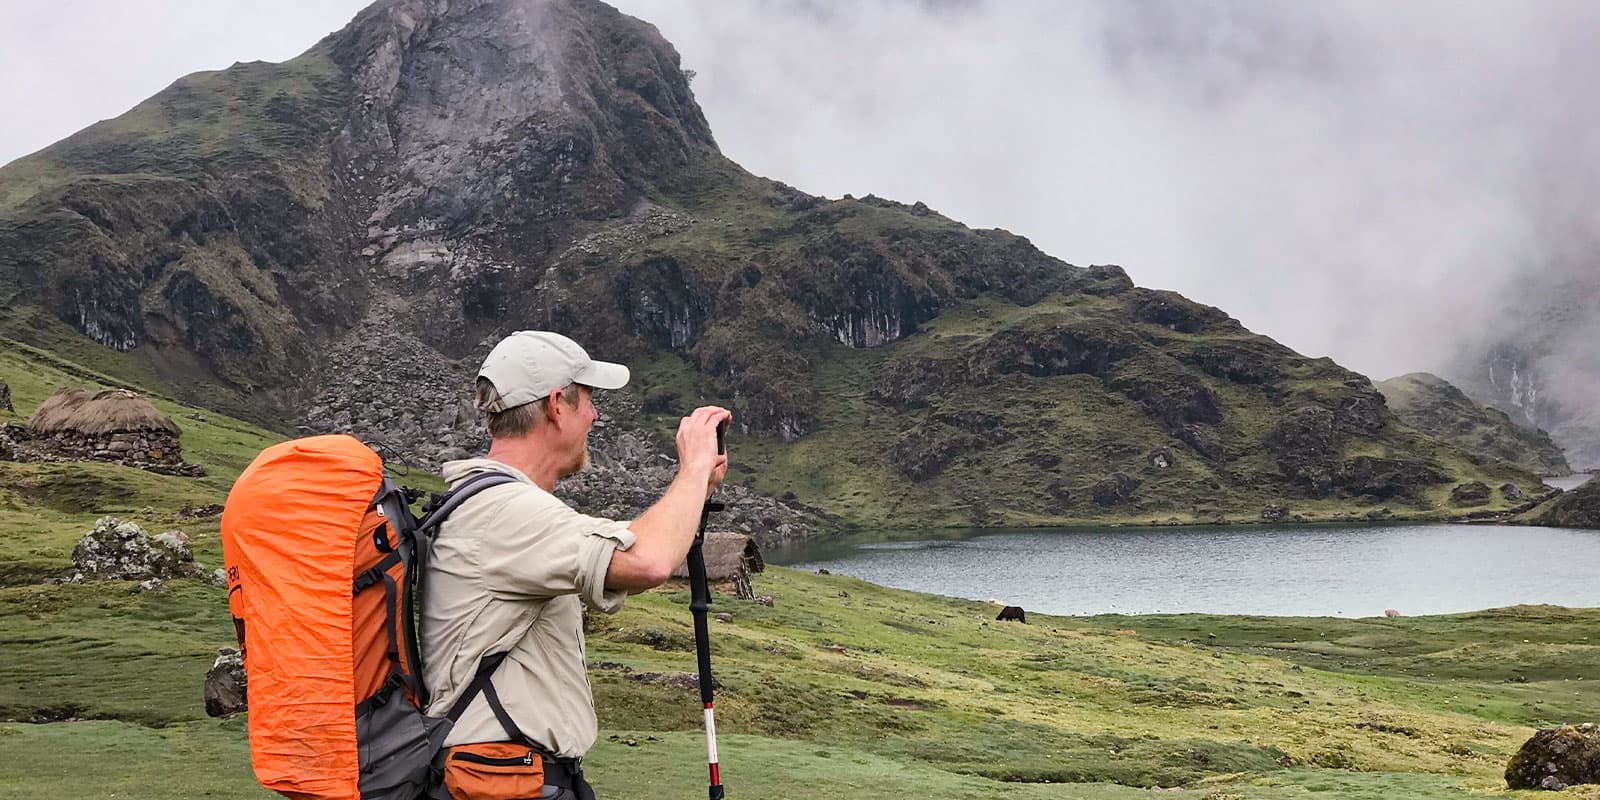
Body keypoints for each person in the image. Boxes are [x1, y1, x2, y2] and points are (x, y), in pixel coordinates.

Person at [422, 330, 729, 800]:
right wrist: (691, 467)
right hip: (502, 783)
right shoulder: (507, 513)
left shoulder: (488, 506)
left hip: (513, 778)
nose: (595, 414)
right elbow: (646, 561)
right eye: (587, 398)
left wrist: (697, 489)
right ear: (555, 406)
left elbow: (629, 540)